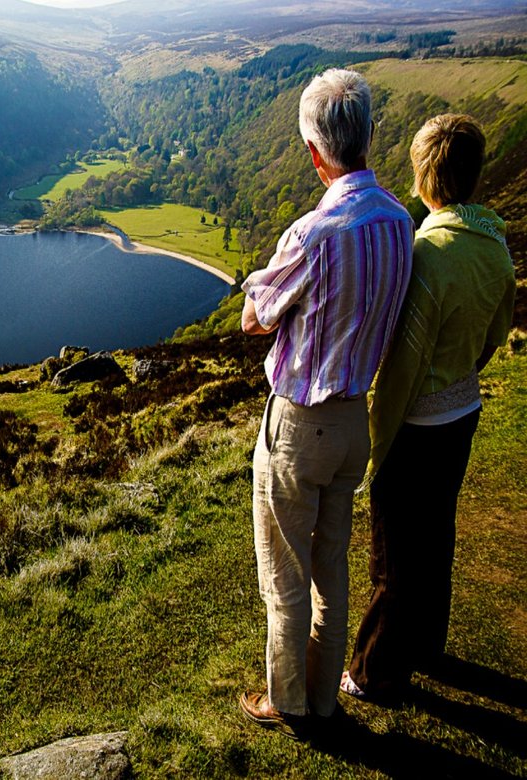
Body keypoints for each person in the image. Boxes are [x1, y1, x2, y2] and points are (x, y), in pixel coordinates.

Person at [238, 67, 414, 738]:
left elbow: (259, 313)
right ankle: (325, 697)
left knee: (282, 576)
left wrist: (258, 296)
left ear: (314, 152)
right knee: (331, 569)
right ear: (368, 136)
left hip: (300, 425)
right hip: (353, 425)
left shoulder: (314, 234)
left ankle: (288, 705)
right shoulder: (400, 221)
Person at [341, 113, 516, 702]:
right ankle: (426, 645)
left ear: (421, 177)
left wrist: (376, 437)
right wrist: (462, 373)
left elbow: (402, 370)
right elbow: (496, 334)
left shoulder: (426, 254)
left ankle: (374, 671)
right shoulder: (495, 245)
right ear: (475, 174)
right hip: (463, 413)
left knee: (393, 554)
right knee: (437, 534)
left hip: (417, 424)